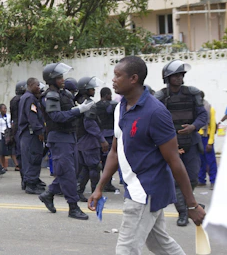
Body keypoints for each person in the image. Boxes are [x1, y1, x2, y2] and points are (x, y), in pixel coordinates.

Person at [88, 56, 206, 254]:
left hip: (146, 190)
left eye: (118, 75)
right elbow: (116, 152)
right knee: (160, 243)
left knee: (126, 249)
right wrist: (99, 187)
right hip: (134, 187)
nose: (113, 80)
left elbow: (174, 161)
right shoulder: (120, 109)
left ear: (133, 78)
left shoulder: (156, 112)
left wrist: (191, 204)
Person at [37, 63, 94, 220]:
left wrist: (83, 108)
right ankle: (73, 207)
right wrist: (78, 110)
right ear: (52, 79)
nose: (63, 79)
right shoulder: (51, 96)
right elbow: (56, 116)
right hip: (59, 138)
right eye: (59, 77)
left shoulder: (64, 94)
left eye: (62, 77)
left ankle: (49, 194)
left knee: (70, 170)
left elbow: (70, 112)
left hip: (69, 136)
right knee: (68, 173)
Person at [155, 60, 207, 227]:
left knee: (192, 177)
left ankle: (187, 203)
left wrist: (193, 126)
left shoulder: (192, 94)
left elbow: (203, 116)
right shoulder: (161, 97)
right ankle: (183, 212)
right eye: (175, 75)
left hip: (191, 142)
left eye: (180, 75)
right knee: (176, 180)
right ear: (167, 78)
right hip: (171, 144)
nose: (179, 78)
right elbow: (156, 120)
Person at [75, 76, 109, 202]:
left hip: (82, 140)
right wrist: (102, 139)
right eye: (91, 88)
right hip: (89, 141)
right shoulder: (88, 103)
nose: (93, 90)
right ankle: (96, 194)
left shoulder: (80, 101)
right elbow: (89, 123)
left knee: (86, 168)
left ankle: (78, 192)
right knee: (94, 167)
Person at [17, 77, 45, 194]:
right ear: (30, 85)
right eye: (37, 85)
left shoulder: (25, 97)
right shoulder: (30, 98)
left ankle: (31, 181)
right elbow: (32, 117)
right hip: (31, 133)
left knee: (30, 158)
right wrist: (39, 131)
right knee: (33, 157)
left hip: (27, 133)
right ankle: (30, 185)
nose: (39, 88)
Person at [96, 87, 118, 192]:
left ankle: (99, 184)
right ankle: (106, 184)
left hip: (99, 135)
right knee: (108, 161)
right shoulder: (111, 105)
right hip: (109, 135)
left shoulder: (96, 105)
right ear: (106, 95)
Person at [198, 92, 217, 190]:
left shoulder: (210, 109)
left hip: (206, 136)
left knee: (210, 160)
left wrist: (210, 142)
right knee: (200, 160)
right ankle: (201, 180)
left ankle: (213, 181)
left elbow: (213, 126)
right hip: (197, 136)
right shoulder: (196, 108)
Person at [10, 81, 26, 175]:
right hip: (22, 127)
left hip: (16, 127)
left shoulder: (14, 100)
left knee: (19, 152)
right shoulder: (23, 99)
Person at [0, 103, 14, 171]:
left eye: (5, 108)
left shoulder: (9, 116)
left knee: (12, 150)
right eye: (3, 108)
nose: (5, 110)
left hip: (8, 135)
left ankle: (17, 165)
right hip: (1, 134)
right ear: (0, 109)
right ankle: (3, 166)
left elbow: (12, 124)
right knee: (2, 151)